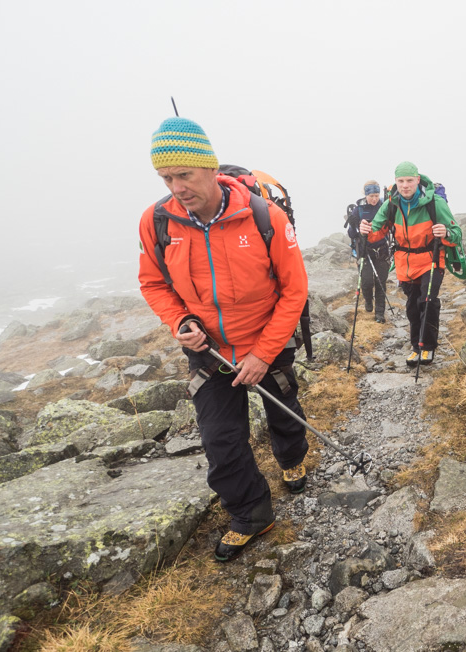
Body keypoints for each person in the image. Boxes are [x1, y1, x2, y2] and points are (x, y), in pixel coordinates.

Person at [138, 116, 310, 562]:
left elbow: (294, 290)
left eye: (184, 175)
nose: (176, 187)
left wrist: (263, 353)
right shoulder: (156, 222)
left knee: (283, 410)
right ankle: (251, 514)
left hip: (267, 339)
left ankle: (292, 458)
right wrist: (179, 322)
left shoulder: (262, 215)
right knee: (219, 438)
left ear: (211, 169)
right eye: (166, 177)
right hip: (208, 352)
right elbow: (154, 283)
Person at [359, 161, 461, 366]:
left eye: (409, 181)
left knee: (427, 301)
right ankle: (416, 347)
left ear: (417, 180)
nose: (405, 185)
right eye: (401, 181)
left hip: (431, 260)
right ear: (395, 182)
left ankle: (428, 347)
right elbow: (377, 232)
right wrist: (365, 230)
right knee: (413, 307)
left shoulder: (435, 203)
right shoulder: (391, 204)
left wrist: (446, 233)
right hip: (405, 263)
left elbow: (456, 233)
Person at [346, 180, 390, 323]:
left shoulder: (384, 206)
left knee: (380, 282)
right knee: (366, 281)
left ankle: (379, 314)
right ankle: (368, 301)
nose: (374, 199)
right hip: (364, 250)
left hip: (382, 250)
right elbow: (352, 234)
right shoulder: (358, 209)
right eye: (371, 196)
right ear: (366, 195)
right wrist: (355, 225)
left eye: (377, 195)